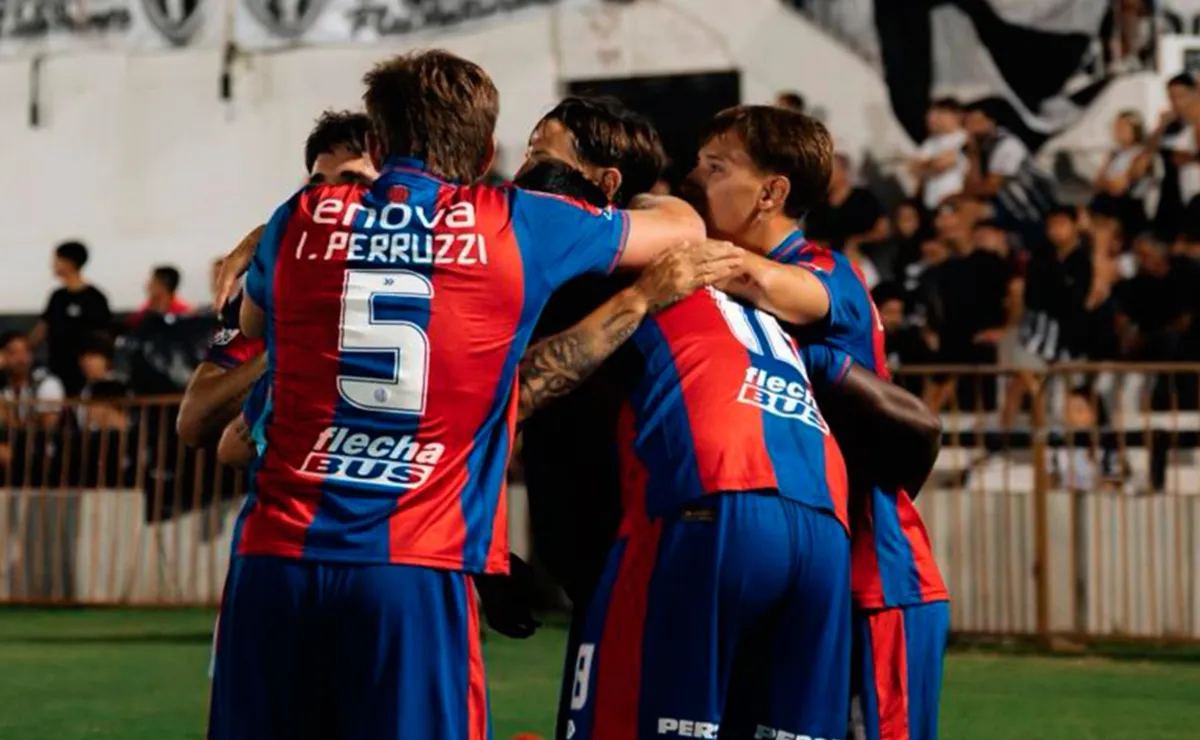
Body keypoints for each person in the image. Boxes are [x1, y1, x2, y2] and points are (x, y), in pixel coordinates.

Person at [209, 49, 712, 740]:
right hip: (413, 559)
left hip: (274, 555)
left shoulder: (301, 217)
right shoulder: (520, 221)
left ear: (378, 144)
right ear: (485, 154)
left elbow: (253, 322)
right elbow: (684, 231)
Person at [685, 104, 950, 740]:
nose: (694, 180)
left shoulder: (827, 274)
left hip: (874, 579)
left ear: (772, 192)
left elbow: (785, 290)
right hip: (807, 567)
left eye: (715, 167)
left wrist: (676, 244)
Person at [177, 110, 376, 448]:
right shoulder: (279, 278)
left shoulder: (440, 265)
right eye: (318, 188)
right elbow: (195, 421)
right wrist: (286, 346)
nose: (330, 201)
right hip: (295, 492)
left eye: (351, 182)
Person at [28, 241, 112, 397]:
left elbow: (103, 337)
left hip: (84, 373)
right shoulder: (57, 297)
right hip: (57, 369)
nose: (53, 265)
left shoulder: (95, 299)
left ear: (68, 263)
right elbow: (42, 328)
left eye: (56, 260)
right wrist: (24, 349)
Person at [909, 97, 968, 211]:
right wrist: (932, 164)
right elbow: (913, 169)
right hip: (930, 205)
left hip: (954, 204)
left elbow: (942, 165)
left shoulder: (963, 138)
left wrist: (926, 166)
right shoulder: (930, 142)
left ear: (955, 115)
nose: (933, 119)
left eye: (940, 114)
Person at [0, 331, 64, 429]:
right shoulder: (4, 386)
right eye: (13, 353)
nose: (21, 359)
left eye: (26, 352)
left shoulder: (47, 383)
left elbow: (47, 426)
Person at [127, 266, 192, 328]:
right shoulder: (145, 311)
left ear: (163, 287)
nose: (148, 286)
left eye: (153, 282)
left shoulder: (185, 313)